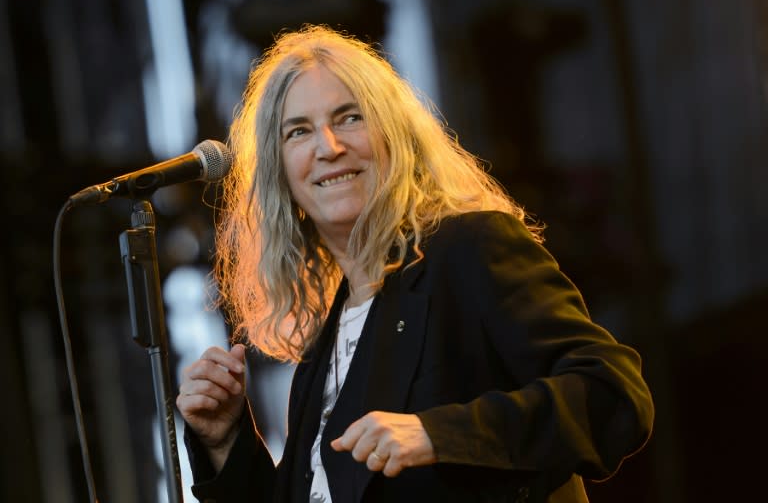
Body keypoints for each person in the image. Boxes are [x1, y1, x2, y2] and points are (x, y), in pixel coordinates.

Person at [176, 25, 654, 503]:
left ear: (395, 138)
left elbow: (614, 394)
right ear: (281, 175)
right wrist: (224, 441)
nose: (328, 146)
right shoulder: (322, 351)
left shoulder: (468, 248)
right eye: (298, 131)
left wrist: (437, 435)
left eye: (349, 118)